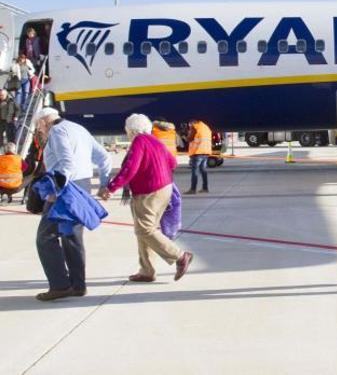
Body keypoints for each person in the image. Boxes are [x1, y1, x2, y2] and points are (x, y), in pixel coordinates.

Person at [98, 114, 193, 282]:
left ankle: (180, 256)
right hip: (165, 188)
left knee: (144, 229)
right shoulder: (155, 140)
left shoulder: (139, 141)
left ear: (131, 130)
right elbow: (172, 163)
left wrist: (111, 188)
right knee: (147, 230)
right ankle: (147, 270)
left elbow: (130, 169)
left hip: (149, 192)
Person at [33, 107, 112, 301]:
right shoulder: (79, 128)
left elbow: (67, 163)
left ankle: (60, 285)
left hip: (65, 189)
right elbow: (104, 157)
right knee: (72, 237)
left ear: (44, 121)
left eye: (39, 127)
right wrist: (103, 183)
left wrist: (57, 189)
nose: (40, 131)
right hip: (83, 185)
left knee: (45, 237)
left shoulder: (57, 131)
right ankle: (78, 285)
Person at [185, 119, 211, 195]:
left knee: (195, 171)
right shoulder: (206, 127)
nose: (189, 126)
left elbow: (189, 138)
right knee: (203, 170)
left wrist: (187, 134)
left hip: (197, 152)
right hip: (205, 152)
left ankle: (193, 189)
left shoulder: (195, 127)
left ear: (193, 123)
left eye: (190, 124)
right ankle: (205, 188)